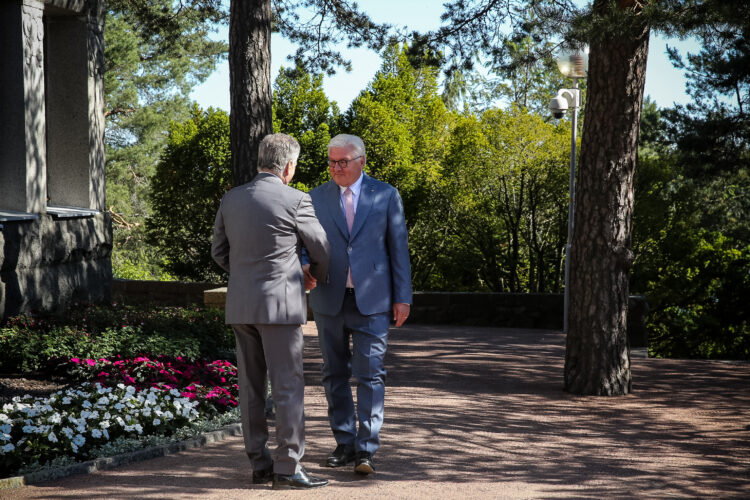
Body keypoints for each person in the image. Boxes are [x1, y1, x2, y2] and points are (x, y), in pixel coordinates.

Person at [211, 133, 330, 490]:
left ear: (261, 160)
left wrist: (245, 275)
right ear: (289, 166)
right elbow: (321, 248)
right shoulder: (296, 200)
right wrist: (312, 277)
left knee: (249, 387)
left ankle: (259, 466)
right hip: (281, 306)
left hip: (242, 305)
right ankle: (288, 467)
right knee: (288, 387)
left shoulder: (231, 199)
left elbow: (218, 251)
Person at [305, 133, 412, 475]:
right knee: (333, 373)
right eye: (332, 162)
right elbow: (303, 243)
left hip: (374, 301)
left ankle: (366, 449)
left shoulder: (385, 194)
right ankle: (344, 442)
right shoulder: (314, 198)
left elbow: (399, 249)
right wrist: (305, 267)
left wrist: (402, 297)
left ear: (361, 162)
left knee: (370, 374)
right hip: (328, 298)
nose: (336, 168)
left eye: (343, 162)